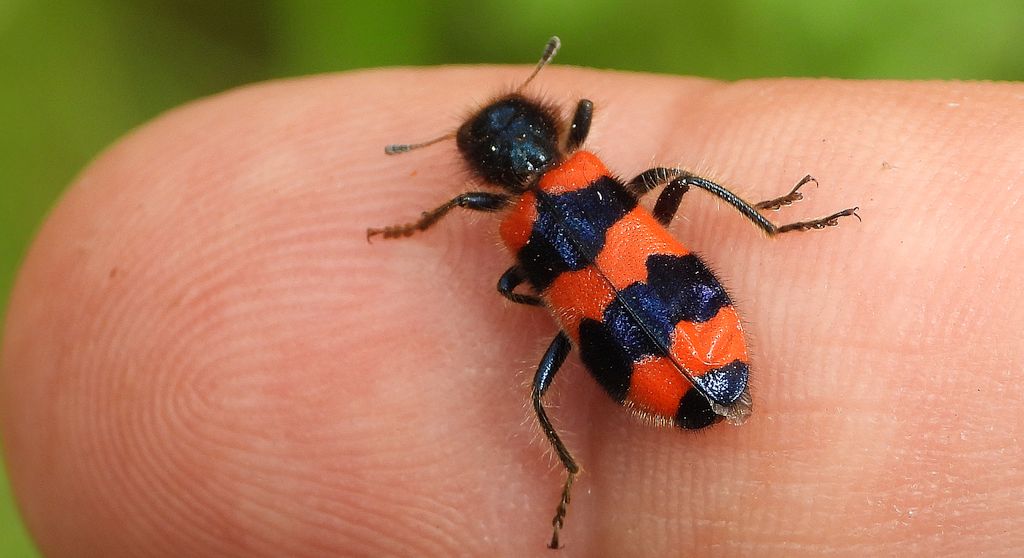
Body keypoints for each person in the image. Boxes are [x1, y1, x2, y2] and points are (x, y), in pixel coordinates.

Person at [2, 67, 1021, 556]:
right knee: (673, 179)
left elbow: (517, 289)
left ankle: (572, 471)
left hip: (666, 362)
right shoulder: (578, 172)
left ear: (489, 173)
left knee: (549, 355)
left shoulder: (512, 229)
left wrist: (433, 230)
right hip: (684, 349)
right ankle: (777, 235)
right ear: (553, 125)